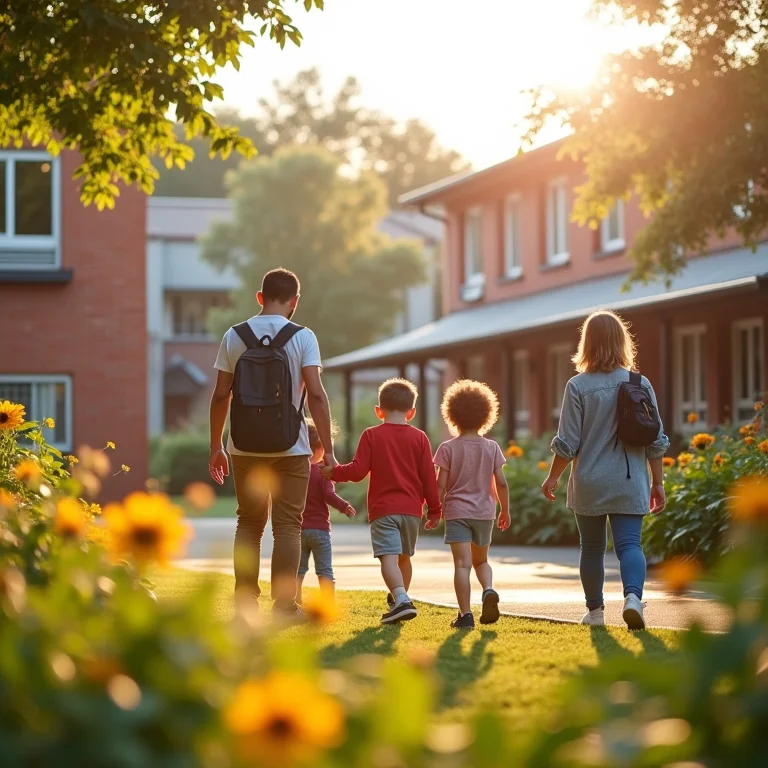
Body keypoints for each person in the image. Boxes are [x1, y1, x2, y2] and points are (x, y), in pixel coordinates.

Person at [208, 268, 337, 617]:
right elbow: (317, 396)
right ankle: (284, 604)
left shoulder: (234, 336)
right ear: (295, 301)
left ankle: (245, 600)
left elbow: (221, 397)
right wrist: (329, 451)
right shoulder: (303, 337)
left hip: (244, 446)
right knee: (287, 526)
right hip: (291, 447)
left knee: (248, 522)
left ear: (260, 298)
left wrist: (216, 446)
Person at [541, 310, 669, 630]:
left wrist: (553, 477)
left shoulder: (578, 386)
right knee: (630, 545)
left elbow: (567, 442)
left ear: (587, 343)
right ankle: (633, 598)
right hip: (630, 480)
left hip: (590, 482)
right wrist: (658, 483)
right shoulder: (640, 383)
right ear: (622, 341)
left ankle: (595, 613)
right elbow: (656, 439)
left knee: (592, 549)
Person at [323, 378, 441, 625]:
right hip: (411, 511)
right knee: (404, 558)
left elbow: (356, 471)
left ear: (379, 411)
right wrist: (434, 510)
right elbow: (429, 478)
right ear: (412, 412)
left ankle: (401, 599)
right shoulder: (420, 438)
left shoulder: (371, 435)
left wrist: (333, 472)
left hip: (384, 509)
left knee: (388, 557)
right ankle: (400, 601)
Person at [433, 380, 510, 630]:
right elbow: (502, 483)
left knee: (462, 565)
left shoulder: (447, 448)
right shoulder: (492, 447)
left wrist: (435, 509)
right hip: (484, 513)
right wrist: (505, 511)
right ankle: (488, 589)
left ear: (452, 414)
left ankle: (465, 616)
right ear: (486, 414)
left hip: (457, 512)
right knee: (482, 561)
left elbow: (440, 485)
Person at [297, 420, 356, 604]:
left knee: (298, 570)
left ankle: (294, 602)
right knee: (325, 571)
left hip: (298, 529)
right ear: (322, 446)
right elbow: (329, 495)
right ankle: (328, 605)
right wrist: (344, 507)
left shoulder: (296, 471)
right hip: (320, 531)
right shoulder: (324, 472)